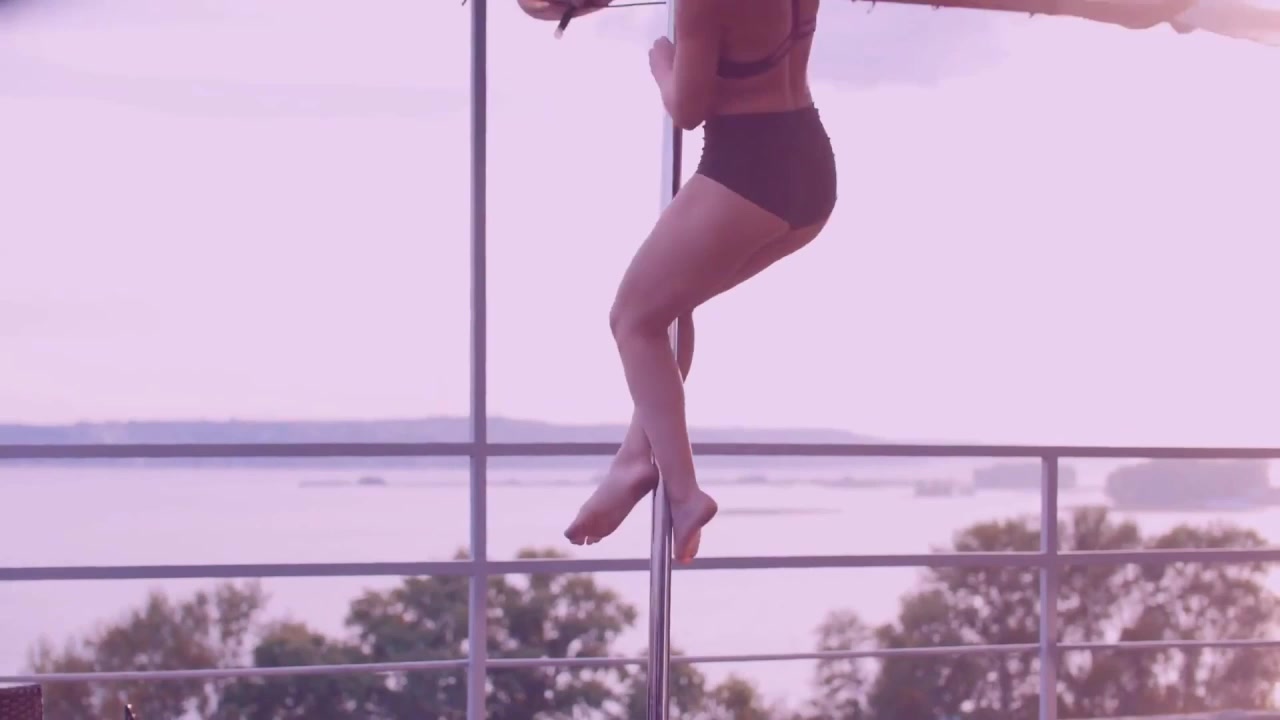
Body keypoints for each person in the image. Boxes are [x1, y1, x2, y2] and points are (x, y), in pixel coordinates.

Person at [525, 0, 839, 563]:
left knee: (632, 320)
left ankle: (684, 491)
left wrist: (663, 66)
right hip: (811, 170)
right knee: (667, 306)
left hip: (749, 170)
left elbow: (688, 109)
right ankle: (633, 460)